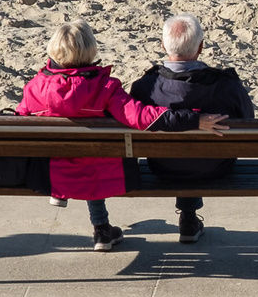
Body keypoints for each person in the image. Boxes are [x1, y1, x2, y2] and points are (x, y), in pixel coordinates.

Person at [17, 20, 228, 251]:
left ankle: (100, 228)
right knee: (94, 156)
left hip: (53, 173)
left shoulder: (34, 88)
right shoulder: (105, 88)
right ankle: (103, 229)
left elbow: (20, 124)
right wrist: (194, 120)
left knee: (82, 154)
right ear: (91, 49)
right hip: (103, 171)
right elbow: (143, 118)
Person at [129, 13, 255, 244]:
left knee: (180, 152)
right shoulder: (227, 86)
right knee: (196, 153)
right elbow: (249, 122)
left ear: (163, 45)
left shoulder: (143, 88)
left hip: (162, 167)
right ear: (201, 47)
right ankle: (188, 217)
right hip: (216, 167)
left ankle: (188, 216)